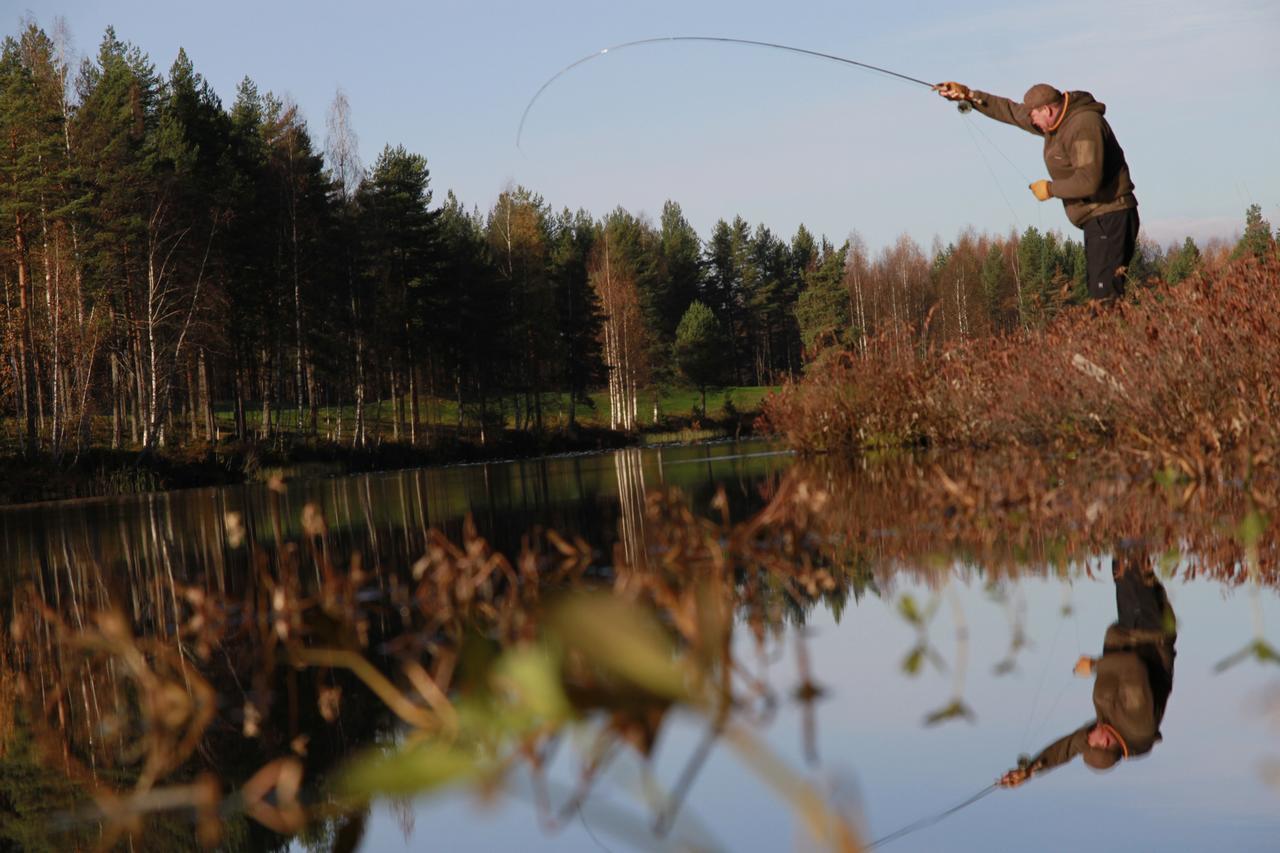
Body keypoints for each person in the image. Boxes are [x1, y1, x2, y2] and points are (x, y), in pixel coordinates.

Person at [934, 81, 1139, 301]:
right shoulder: (1057, 121)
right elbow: (1012, 112)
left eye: (1033, 116)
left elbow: (1089, 181)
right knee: (1102, 296)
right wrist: (971, 96)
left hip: (1110, 217)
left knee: (1104, 299)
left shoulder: (1083, 125)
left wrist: (1050, 189)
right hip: (1099, 220)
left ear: (1047, 110)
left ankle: (1117, 335)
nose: (1031, 122)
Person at [998, 545, 1176, 787]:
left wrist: (1032, 769)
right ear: (1105, 743)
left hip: (1131, 629)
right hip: (1149, 632)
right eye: (1092, 739)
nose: (1088, 735)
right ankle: (1139, 518)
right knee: (1130, 559)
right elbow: (1133, 668)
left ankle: (1131, 519)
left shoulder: (1110, 730)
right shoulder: (1138, 724)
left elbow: (1069, 748)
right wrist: (1093, 666)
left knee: (1122, 563)